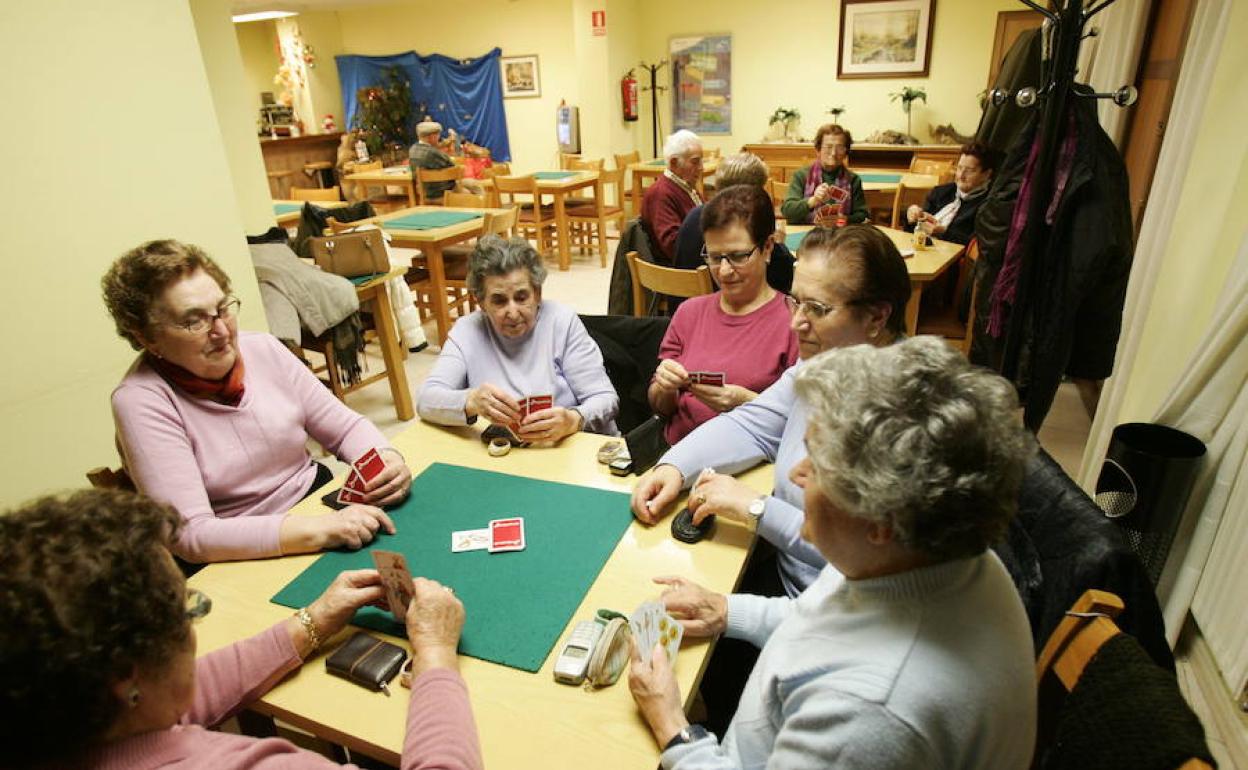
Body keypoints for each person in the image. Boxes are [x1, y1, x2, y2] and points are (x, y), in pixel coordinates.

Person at [627, 336, 1038, 769]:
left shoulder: (873, 713)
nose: (796, 473)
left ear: (880, 519)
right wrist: (727, 611)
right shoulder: (925, 547)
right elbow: (829, 614)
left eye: (819, 463)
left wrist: (676, 729)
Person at [0, 488, 482, 770]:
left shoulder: (63, 718)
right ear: (127, 675)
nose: (193, 628)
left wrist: (312, 622)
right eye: (185, 608)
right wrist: (436, 653)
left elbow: (171, 700)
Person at [633, 225, 910, 597]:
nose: (796, 322)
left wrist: (756, 507)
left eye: (818, 309)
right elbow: (752, 426)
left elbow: (861, 558)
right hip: (784, 578)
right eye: (796, 302)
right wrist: (674, 466)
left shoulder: (907, 420)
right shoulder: (823, 361)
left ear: (877, 318)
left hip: (830, 612)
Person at [104, 240, 410, 564]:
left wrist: (386, 459)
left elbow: (346, 428)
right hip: (237, 551)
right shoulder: (140, 401)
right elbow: (191, 535)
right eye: (194, 320)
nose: (221, 330)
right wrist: (317, 530)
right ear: (146, 337)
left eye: (222, 309)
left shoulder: (263, 348)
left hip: (314, 507)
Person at [418, 235, 619, 439]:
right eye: (499, 301)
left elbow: (605, 398)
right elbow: (425, 400)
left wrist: (575, 419)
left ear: (537, 293)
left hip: (567, 446)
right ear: (480, 302)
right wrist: (471, 401)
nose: (513, 312)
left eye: (522, 298)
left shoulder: (561, 322)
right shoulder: (467, 330)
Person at [650, 185, 798, 446]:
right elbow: (661, 408)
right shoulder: (689, 313)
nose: (725, 271)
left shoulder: (795, 322)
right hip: (675, 453)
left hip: (750, 461)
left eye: (739, 256)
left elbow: (804, 422)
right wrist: (664, 387)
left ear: (767, 248)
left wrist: (745, 402)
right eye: (715, 257)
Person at [672, 153, 796, 308]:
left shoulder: (694, 215)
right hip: (733, 311)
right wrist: (779, 244)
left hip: (681, 304)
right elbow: (788, 277)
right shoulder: (751, 222)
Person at [905, 140, 1001, 245]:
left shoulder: (990, 207)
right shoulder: (940, 192)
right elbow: (912, 233)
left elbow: (977, 247)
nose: (961, 175)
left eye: (969, 170)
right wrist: (913, 217)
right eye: (959, 168)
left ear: (986, 174)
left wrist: (944, 233)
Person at [780, 124, 869, 225]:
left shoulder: (853, 180)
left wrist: (842, 220)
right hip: (806, 234)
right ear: (818, 150)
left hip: (840, 234)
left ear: (846, 152)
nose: (833, 153)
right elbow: (787, 210)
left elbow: (863, 215)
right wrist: (813, 200)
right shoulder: (801, 176)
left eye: (839, 148)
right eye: (828, 147)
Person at [641, 129, 704, 263]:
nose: (701, 167)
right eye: (695, 162)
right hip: (678, 272)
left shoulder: (686, 186)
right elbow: (673, 246)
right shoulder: (660, 193)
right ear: (674, 163)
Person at [408, 120, 484, 201]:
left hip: (425, 192)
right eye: (437, 135)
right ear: (431, 137)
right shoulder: (434, 153)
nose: (439, 138)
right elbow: (454, 170)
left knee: (472, 183)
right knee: (473, 190)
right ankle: (481, 207)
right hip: (443, 192)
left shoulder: (412, 150)